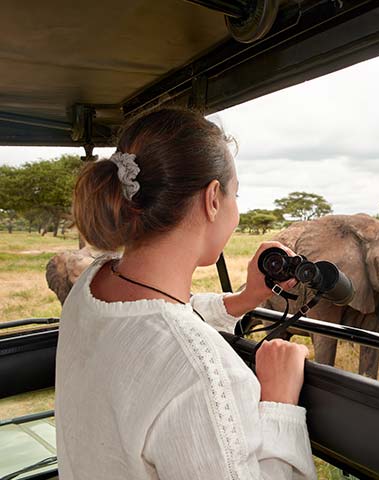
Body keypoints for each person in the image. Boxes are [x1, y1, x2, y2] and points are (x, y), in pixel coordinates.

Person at [55, 108, 316, 479]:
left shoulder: (91, 285)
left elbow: (149, 323)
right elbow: (172, 340)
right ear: (212, 198)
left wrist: (242, 299)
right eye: (235, 195)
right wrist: (279, 404)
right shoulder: (204, 377)